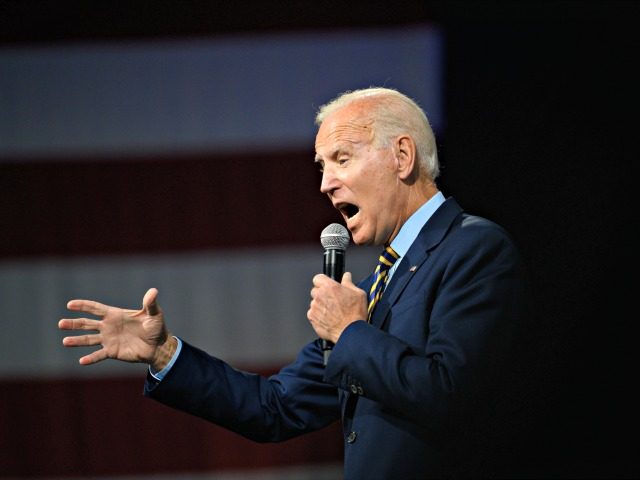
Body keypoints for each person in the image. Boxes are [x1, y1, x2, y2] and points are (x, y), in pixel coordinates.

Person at [59, 87, 533, 478]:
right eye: (321, 167)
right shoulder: (372, 289)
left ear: (402, 156)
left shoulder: (474, 249)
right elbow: (275, 408)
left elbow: (448, 392)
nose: (325, 184)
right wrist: (164, 354)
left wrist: (350, 333)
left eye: (341, 159)